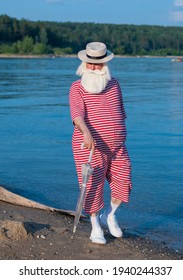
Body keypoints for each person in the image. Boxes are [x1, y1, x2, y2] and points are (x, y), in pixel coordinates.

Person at [69, 42, 132, 244]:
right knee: (92, 186)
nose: (95, 68)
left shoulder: (114, 84)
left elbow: (120, 112)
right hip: (90, 147)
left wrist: (118, 132)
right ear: (84, 64)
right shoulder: (77, 88)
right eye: (91, 64)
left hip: (117, 147)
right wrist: (86, 132)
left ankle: (110, 215)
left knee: (124, 180)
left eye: (99, 64)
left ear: (105, 65)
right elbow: (77, 115)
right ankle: (95, 226)